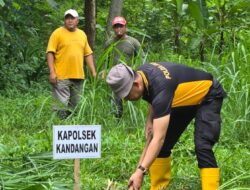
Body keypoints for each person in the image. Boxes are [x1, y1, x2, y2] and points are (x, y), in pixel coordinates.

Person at [106, 62, 226, 190]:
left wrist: (140, 172)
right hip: (180, 98)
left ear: (136, 84)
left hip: (208, 94)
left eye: (127, 95)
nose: (126, 99)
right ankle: (158, 187)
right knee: (161, 147)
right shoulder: (142, 74)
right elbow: (153, 96)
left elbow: (158, 138)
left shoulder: (162, 90)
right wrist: (150, 119)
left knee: (202, 146)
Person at [46, 9, 96, 119]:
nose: (70, 20)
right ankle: (58, 128)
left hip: (78, 75)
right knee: (60, 106)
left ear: (77, 20)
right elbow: (50, 52)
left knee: (75, 106)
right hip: (61, 75)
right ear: (64, 20)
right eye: (67, 18)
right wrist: (52, 72)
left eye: (72, 18)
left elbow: (88, 54)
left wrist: (93, 72)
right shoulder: (57, 33)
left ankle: (72, 128)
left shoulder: (82, 34)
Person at [103, 16, 144, 119]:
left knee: (131, 98)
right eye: (116, 27)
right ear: (113, 28)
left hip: (129, 76)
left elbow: (142, 58)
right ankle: (117, 119)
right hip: (115, 76)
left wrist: (138, 72)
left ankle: (133, 119)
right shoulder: (109, 43)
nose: (118, 29)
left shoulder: (133, 42)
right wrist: (104, 71)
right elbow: (105, 60)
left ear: (126, 27)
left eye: (121, 26)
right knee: (115, 99)